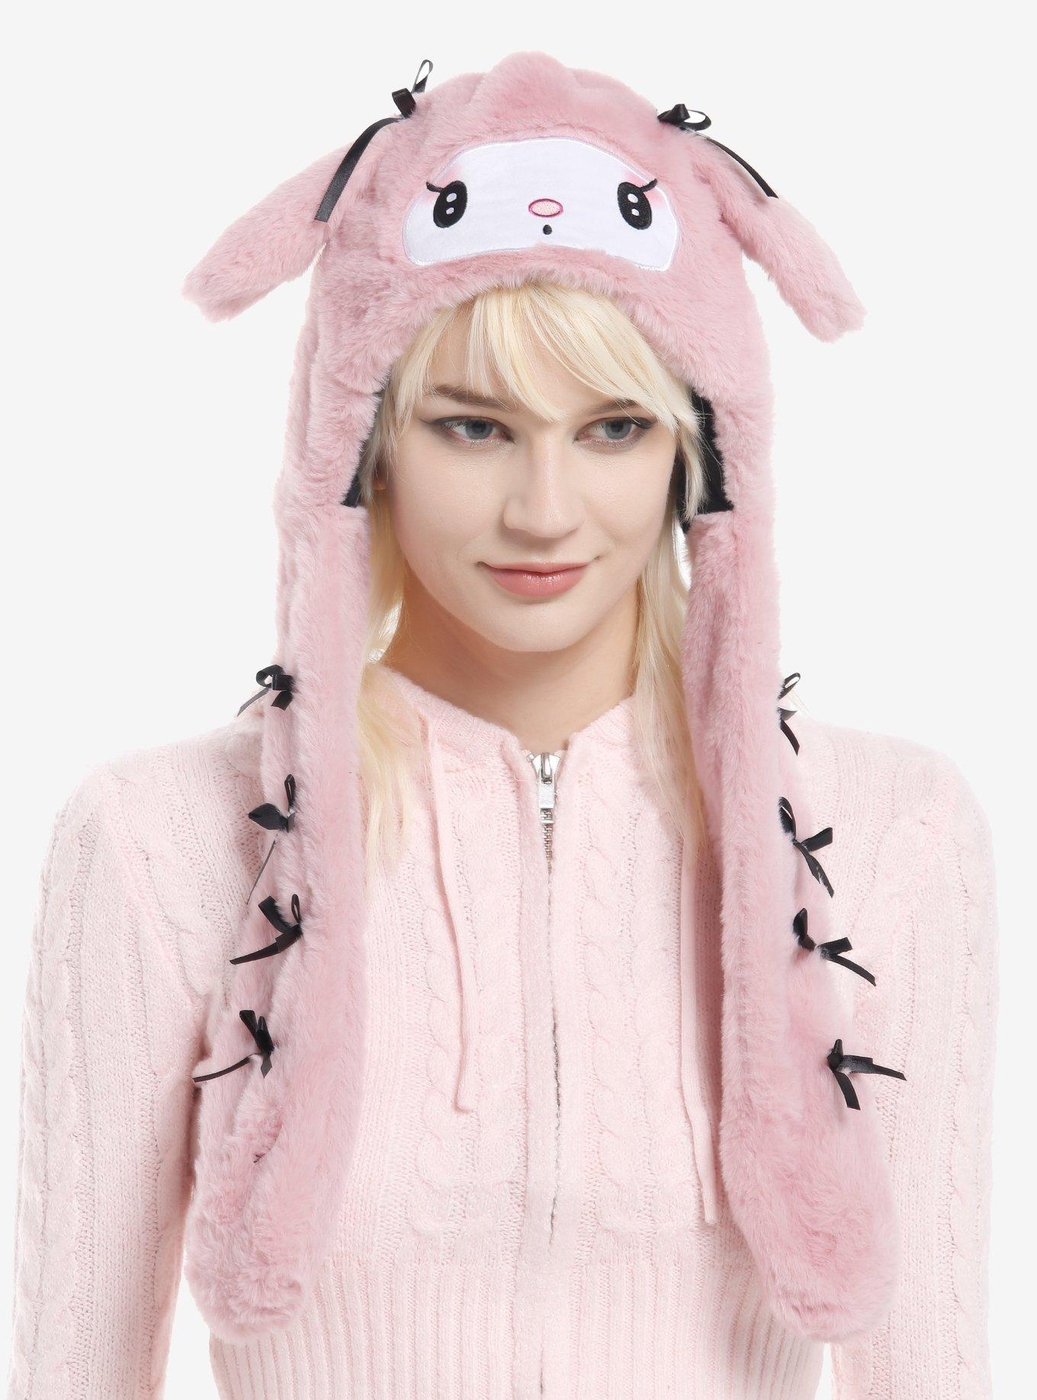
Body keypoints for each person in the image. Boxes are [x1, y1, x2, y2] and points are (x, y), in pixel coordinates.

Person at [6, 51, 998, 1400]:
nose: (544, 509)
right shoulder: (155, 841)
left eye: (614, 428)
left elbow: (929, 1368)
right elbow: (70, 1374)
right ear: (364, 446)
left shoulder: (891, 830)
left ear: (698, 456)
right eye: (473, 429)